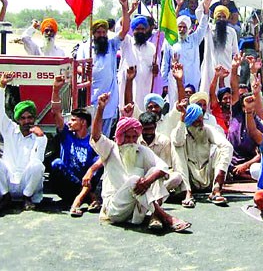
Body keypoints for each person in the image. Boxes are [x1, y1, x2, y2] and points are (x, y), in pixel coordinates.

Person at [90, 93, 191, 231]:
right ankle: (165, 216)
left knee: (153, 172)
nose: (131, 141)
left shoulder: (141, 149)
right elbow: (96, 136)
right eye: (127, 137)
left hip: (136, 211)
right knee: (134, 180)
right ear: (120, 137)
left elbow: (162, 167)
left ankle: (156, 214)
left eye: (134, 137)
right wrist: (101, 109)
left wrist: (148, 181)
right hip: (115, 208)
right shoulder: (111, 148)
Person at [75, 0, 135, 136]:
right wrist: (83, 70)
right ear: (93, 34)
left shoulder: (111, 44)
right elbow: (77, 66)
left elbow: (125, 29)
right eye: (98, 32)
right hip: (91, 100)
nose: (101, 35)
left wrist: (124, 5)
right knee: (90, 135)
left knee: (104, 138)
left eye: (103, 32)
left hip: (108, 101)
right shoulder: (86, 47)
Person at [0, 72, 48, 210]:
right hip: (9, 182)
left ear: (34, 118)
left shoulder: (40, 136)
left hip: (27, 185)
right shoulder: (9, 129)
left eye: (30, 117)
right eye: (23, 118)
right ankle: (5, 196)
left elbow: (37, 161)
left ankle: (27, 198)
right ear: (17, 119)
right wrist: (2, 85)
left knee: (37, 165)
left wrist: (39, 139)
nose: (27, 121)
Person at [49, 76, 101, 217]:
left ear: (83, 122)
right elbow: (56, 112)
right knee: (56, 164)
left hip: (86, 181)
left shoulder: (91, 141)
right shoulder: (67, 135)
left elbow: (102, 159)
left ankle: (83, 197)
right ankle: (90, 196)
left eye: (73, 120)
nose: (69, 123)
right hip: (68, 187)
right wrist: (55, 90)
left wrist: (91, 171)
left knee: (100, 166)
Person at [171, 103, 233, 206]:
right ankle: (187, 192)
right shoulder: (179, 131)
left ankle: (216, 190)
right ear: (189, 122)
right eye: (197, 122)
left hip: (208, 175)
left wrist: (221, 172)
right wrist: (182, 120)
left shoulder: (207, 129)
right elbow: (177, 141)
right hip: (189, 177)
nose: (201, 124)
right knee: (177, 149)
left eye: (202, 120)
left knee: (222, 149)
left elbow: (227, 146)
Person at [161, 0, 211, 104]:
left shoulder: (194, 39)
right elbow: (165, 63)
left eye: (184, 27)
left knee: (192, 104)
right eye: (179, 27)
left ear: (188, 28)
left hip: (192, 80)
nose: (182, 29)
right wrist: (164, 83)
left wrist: (206, 11)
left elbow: (202, 27)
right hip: (174, 81)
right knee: (175, 106)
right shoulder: (170, 42)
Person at [138, 111, 187, 198]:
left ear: (155, 127)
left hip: (158, 178)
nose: (148, 133)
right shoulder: (136, 140)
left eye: (151, 129)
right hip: (140, 179)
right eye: (145, 129)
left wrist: (151, 179)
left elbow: (164, 169)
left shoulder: (164, 141)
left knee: (177, 177)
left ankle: (151, 195)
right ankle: (159, 195)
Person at [200, 3, 240, 92]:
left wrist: (237, 72)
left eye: (223, 16)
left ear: (227, 18)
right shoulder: (208, 29)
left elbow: (236, 53)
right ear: (214, 17)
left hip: (226, 72)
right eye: (219, 16)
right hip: (209, 70)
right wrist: (206, 4)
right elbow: (198, 14)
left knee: (225, 98)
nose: (221, 19)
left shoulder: (232, 32)